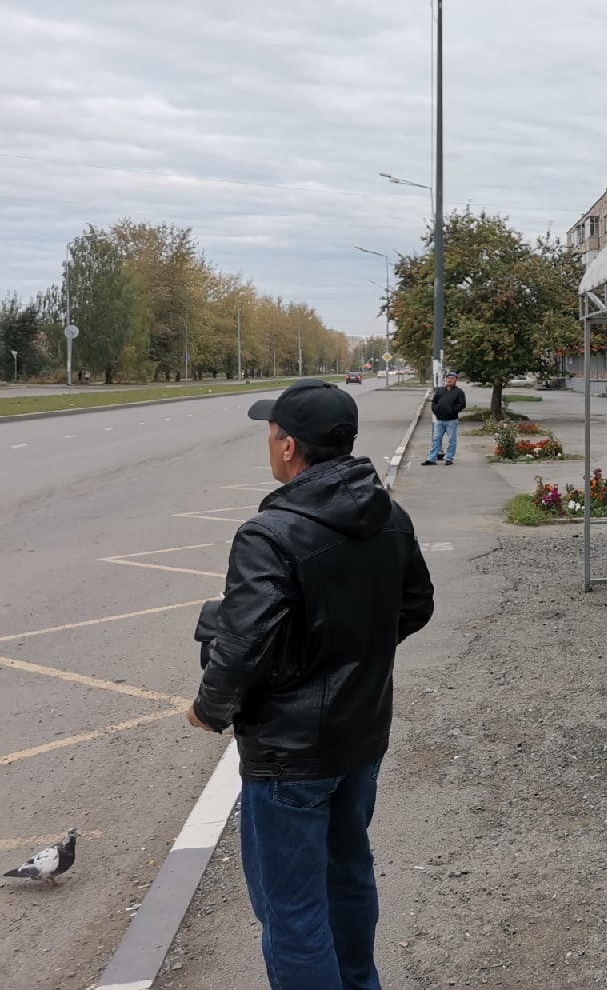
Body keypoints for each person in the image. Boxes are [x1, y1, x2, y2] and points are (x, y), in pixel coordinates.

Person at [188, 377, 435, 990]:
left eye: (272, 434)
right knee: (348, 874)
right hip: (360, 737)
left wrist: (209, 708)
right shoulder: (389, 516)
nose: (270, 445)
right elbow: (416, 605)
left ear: (289, 446)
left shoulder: (269, 534)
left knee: (292, 910)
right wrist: (349, 647)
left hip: (289, 754)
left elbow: (243, 645)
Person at [421, 371, 466, 466]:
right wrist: (435, 410)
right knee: (436, 439)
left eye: (452, 378)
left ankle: (449, 458)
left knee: (452, 440)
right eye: (448, 378)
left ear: (456, 380)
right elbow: (434, 402)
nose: (450, 380)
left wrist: (452, 411)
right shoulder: (440, 390)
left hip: (451, 420)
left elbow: (462, 404)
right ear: (445, 379)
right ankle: (431, 459)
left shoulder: (459, 392)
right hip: (439, 420)